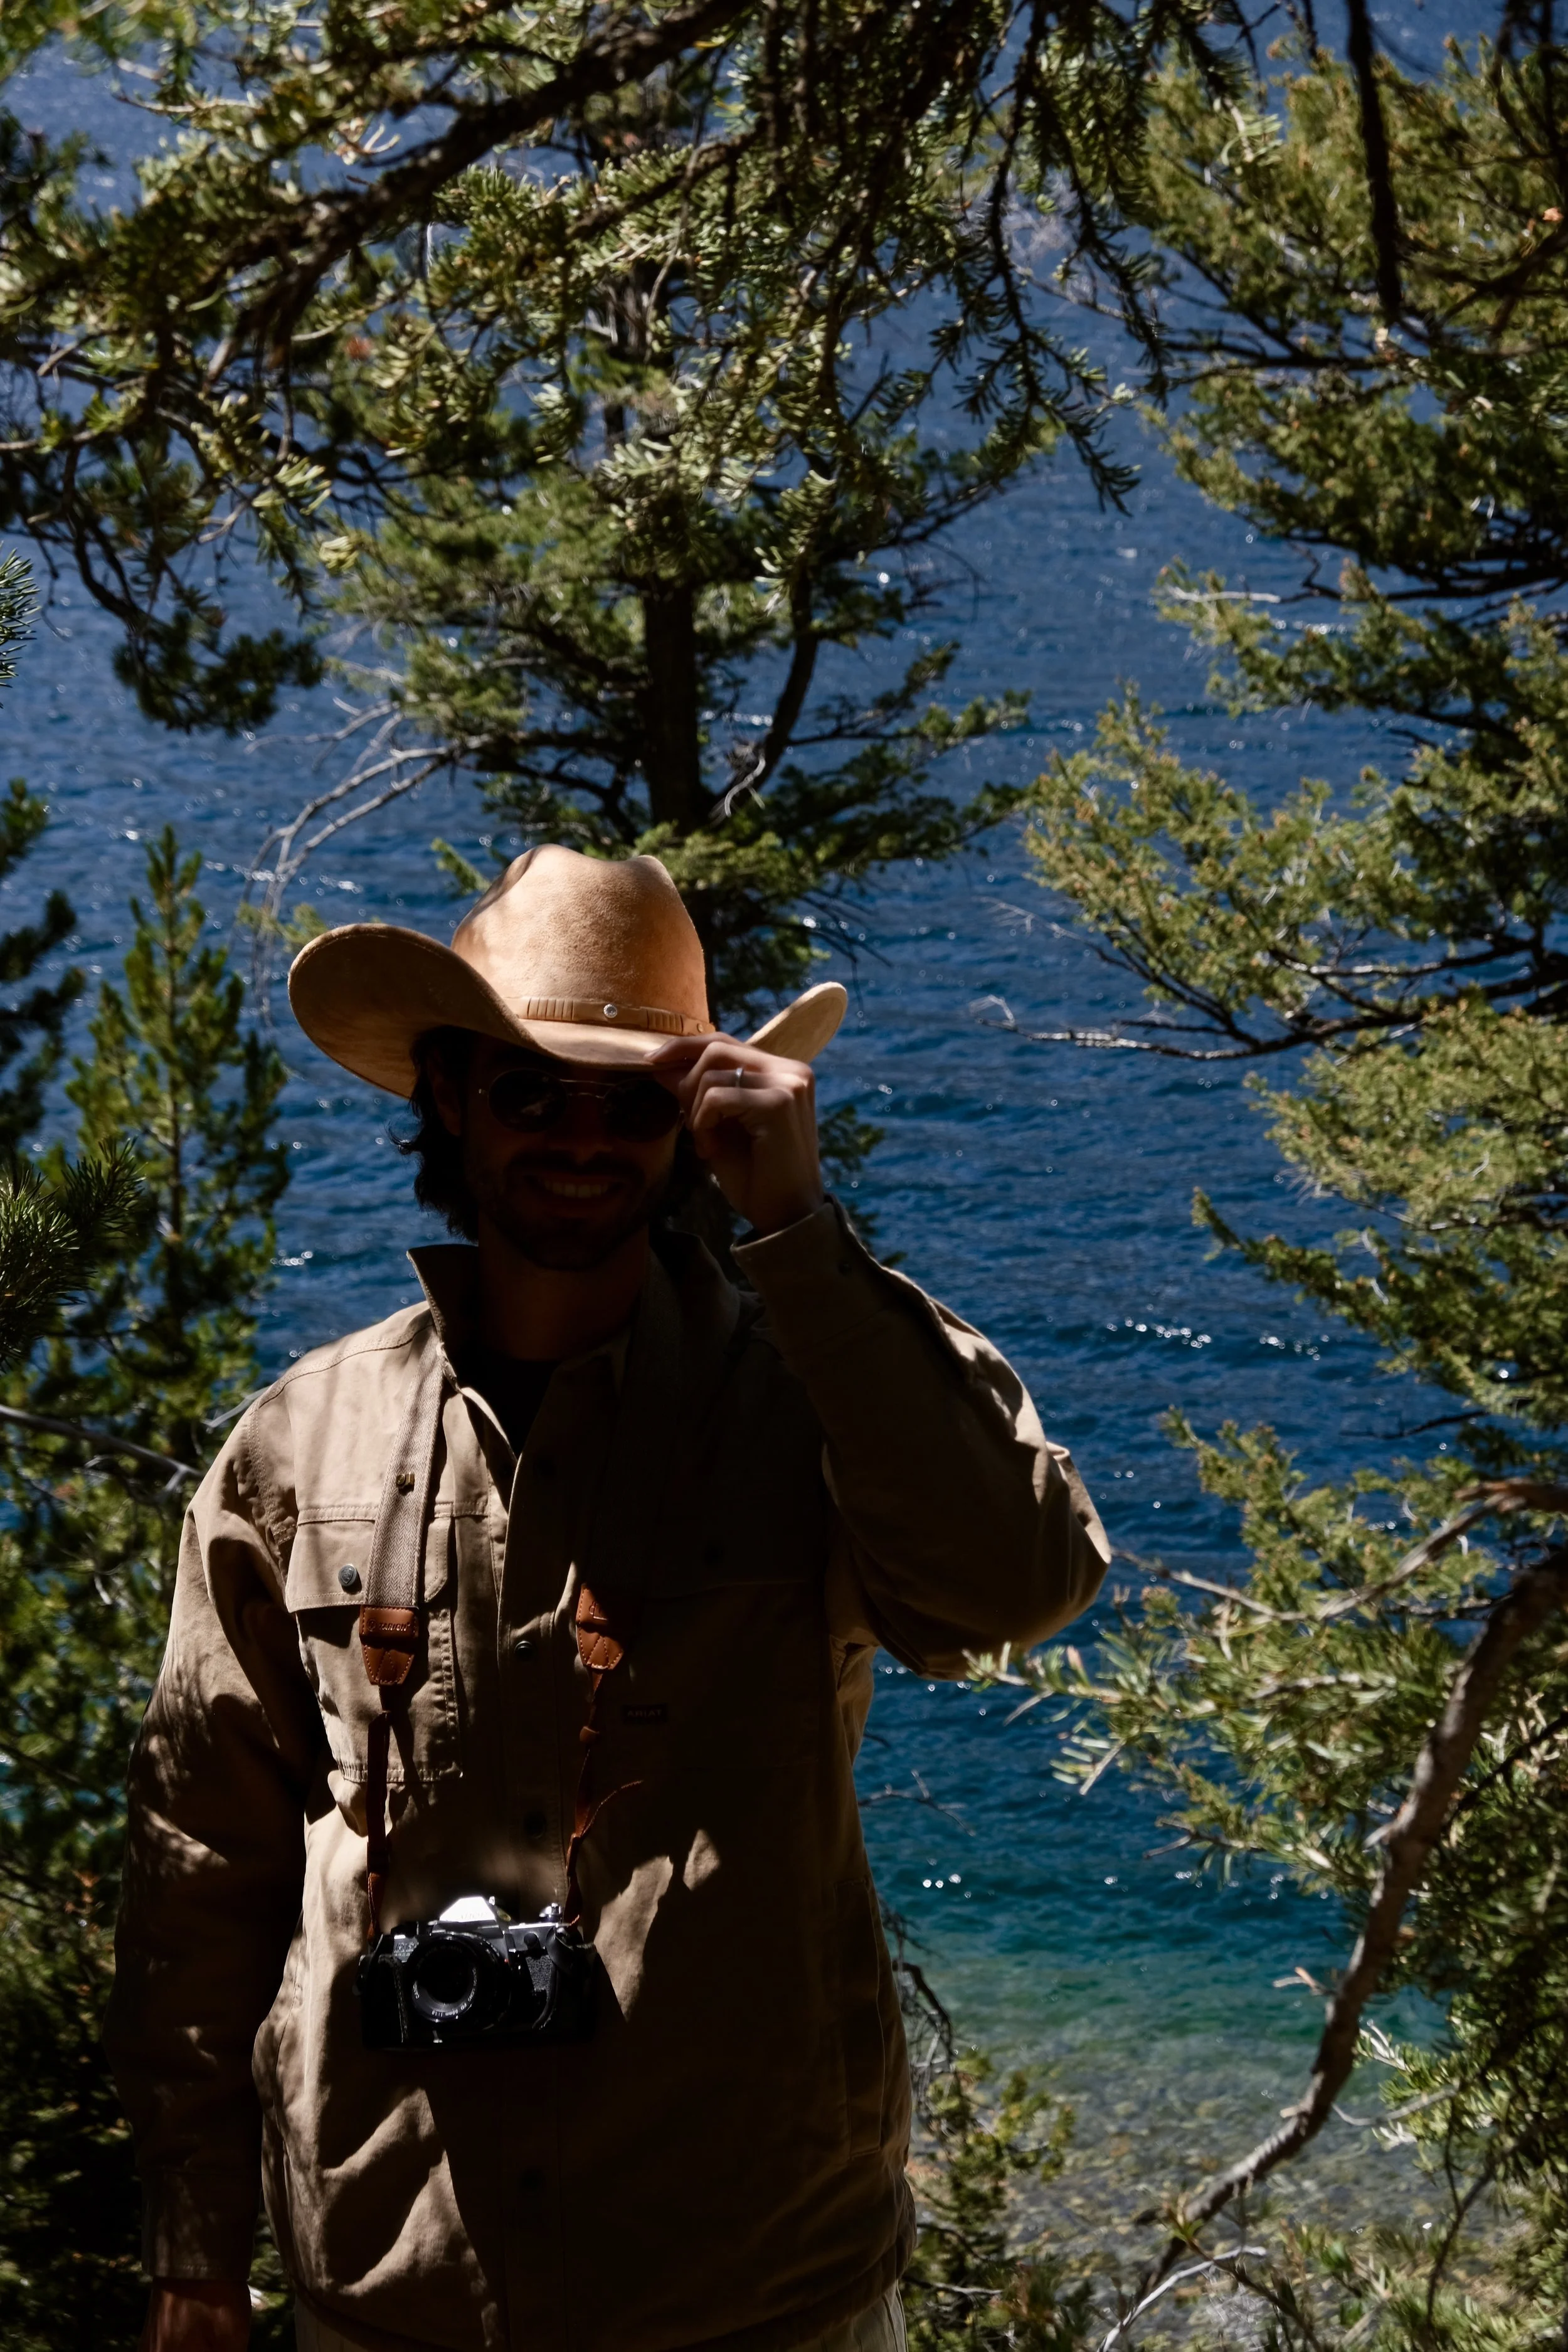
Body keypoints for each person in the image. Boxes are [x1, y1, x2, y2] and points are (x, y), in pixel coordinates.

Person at [109, 845, 1110, 2352]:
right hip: (397, 2288)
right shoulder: (296, 1451)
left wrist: (802, 1237)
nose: (580, 1138)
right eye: (529, 1092)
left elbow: (1007, 1594)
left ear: (691, 1122)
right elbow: (202, 1860)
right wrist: (195, 2242)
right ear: (447, 1096)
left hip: (744, 2288)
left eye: (630, 1100)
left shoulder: (811, 1393)